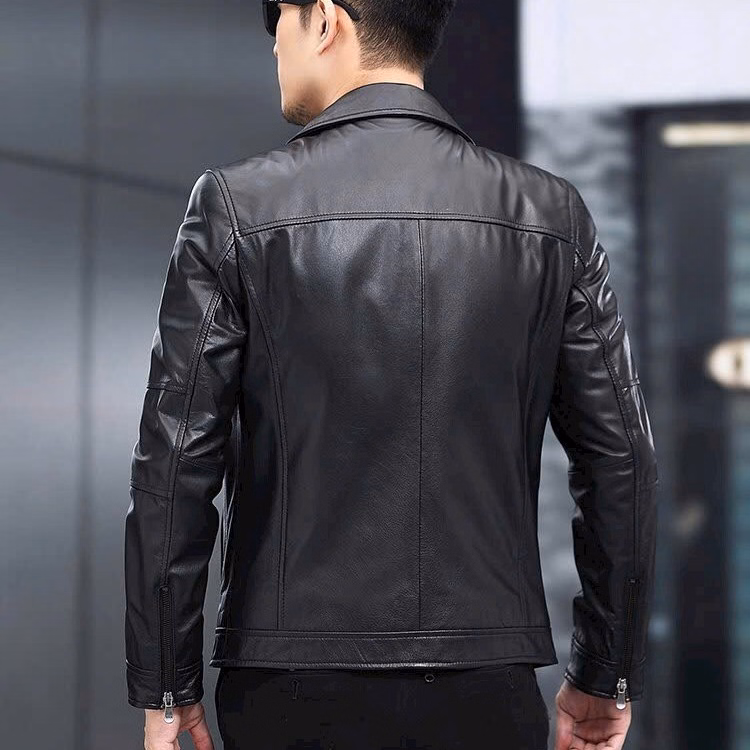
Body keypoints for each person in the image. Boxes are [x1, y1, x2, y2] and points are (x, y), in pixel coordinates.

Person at [123, 0, 660, 748]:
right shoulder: (551, 217)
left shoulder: (238, 209)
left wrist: (166, 684)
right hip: (488, 684)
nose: (273, 45)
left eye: (277, 19)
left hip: (287, 690)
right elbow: (621, 463)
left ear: (325, 19)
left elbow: (175, 462)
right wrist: (606, 674)